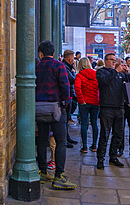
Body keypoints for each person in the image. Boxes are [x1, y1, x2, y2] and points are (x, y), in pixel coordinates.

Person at [35, 41, 77, 190]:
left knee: (42, 141)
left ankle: (43, 172)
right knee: (61, 141)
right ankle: (58, 176)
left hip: (39, 108)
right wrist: (65, 106)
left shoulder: (37, 66)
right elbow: (65, 87)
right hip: (56, 108)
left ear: (40, 53)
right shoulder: (59, 66)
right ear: (53, 53)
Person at [96, 53, 127, 169]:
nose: (114, 62)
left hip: (119, 107)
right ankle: (100, 158)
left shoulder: (119, 75)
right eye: (111, 60)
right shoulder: (101, 72)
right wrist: (116, 72)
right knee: (105, 134)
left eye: (115, 60)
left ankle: (113, 156)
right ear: (105, 60)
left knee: (118, 134)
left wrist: (127, 73)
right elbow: (103, 81)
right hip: (107, 107)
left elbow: (129, 85)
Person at [74, 57, 100, 154]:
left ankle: (84, 146)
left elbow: (77, 88)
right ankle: (94, 145)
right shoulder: (96, 74)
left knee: (84, 124)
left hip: (84, 102)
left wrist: (81, 100)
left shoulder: (79, 75)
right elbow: (99, 87)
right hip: (95, 101)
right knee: (94, 123)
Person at [61, 50, 79, 143]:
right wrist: (73, 72)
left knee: (67, 118)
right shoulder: (65, 67)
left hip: (69, 94)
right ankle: (65, 139)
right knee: (65, 119)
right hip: (67, 96)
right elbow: (72, 79)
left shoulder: (67, 66)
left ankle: (66, 137)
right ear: (69, 58)